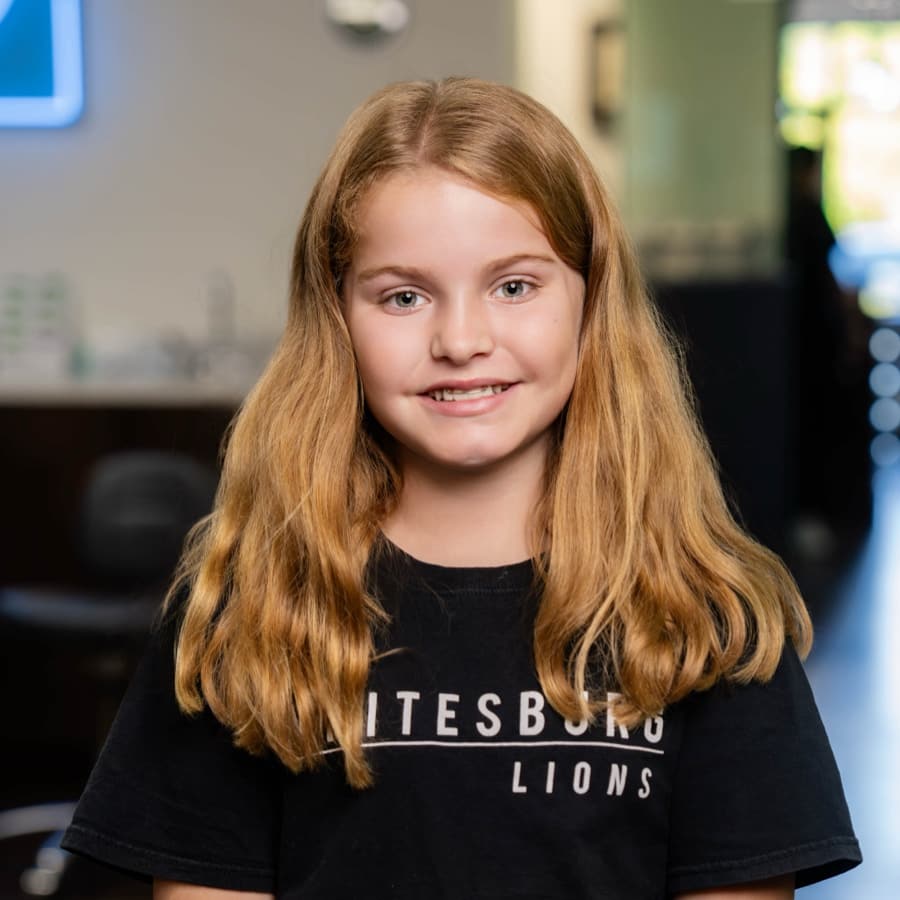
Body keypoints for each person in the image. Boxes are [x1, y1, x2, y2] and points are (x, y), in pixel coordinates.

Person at [62, 78, 860, 898]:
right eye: (404, 296)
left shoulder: (706, 618)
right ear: (338, 318)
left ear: (591, 304)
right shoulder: (255, 606)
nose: (461, 340)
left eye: (514, 286)